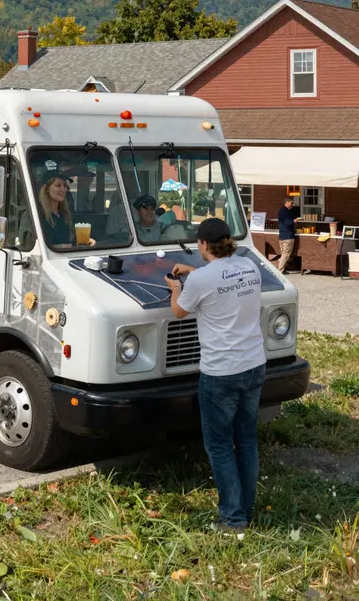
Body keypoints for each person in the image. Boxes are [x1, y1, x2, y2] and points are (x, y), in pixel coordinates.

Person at [165, 218, 266, 536]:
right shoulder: (249, 266)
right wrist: (194, 272)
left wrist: (176, 287)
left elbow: (179, 311)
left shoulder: (199, 281)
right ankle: (245, 511)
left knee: (220, 445)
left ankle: (233, 520)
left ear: (204, 245)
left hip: (220, 372)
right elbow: (222, 281)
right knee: (247, 441)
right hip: (254, 365)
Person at [37, 172, 92, 248]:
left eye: (65, 186)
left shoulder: (66, 214)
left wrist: (87, 241)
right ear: (46, 188)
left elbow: (71, 240)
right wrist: (63, 247)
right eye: (58, 185)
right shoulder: (36, 214)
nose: (63, 189)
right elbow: (33, 247)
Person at [276, 197, 298, 274]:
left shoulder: (280, 211)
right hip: (288, 235)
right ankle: (280, 271)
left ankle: (283, 269)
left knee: (283, 254)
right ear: (287, 202)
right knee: (286, 254)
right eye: (291, 203)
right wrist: (294, 221)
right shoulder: (287, 212)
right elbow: (288, 223)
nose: (292, 205)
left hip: (281, 235)